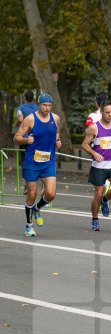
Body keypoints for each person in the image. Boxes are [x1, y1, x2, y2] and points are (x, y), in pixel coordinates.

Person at [13, 93, 61, 237]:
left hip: (48, 161)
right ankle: (29, 225)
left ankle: (37, 209)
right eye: (44, 105)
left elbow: (57, 131)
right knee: (32, 194)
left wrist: (58, 141)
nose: (47, 108)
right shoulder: (30, 119)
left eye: (49, 106)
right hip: (32, 162)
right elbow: (16, 138)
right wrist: (26, 140)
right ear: (39, 104)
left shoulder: (56, 118)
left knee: (51, 194)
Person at [81, 101, 111, 231]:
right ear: (102, 113)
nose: (110, 115)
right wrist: (94, 153)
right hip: (99, 166)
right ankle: (95, 219)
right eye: (107, 112)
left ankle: (105, 200)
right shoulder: (94, 127)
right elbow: (84, 144)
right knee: (97, 195)